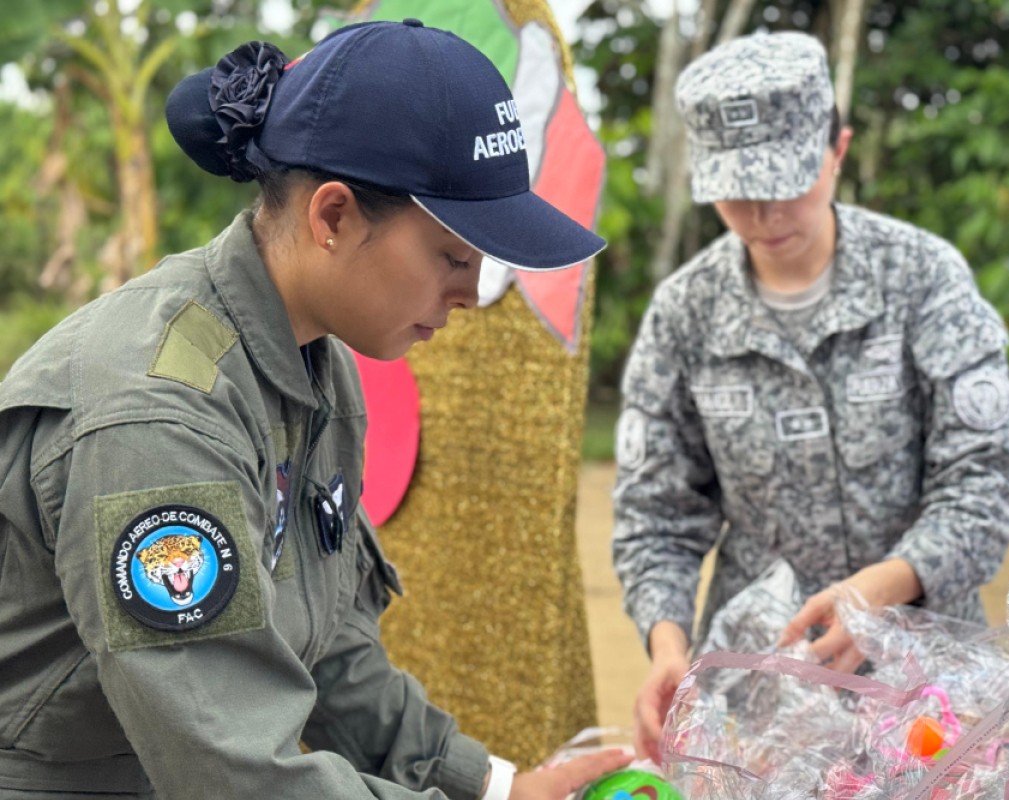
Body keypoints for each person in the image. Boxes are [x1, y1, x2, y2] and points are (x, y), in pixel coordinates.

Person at [0, 20, 628, 800]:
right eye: (454, 256)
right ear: (332, 217)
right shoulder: (155, 417)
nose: (470, 293)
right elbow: (233, 772)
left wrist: (498, 787)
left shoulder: (314, 369)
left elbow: (327, 654)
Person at [612, 31, 1009, 763]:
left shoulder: (922, 278)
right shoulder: (686, 313)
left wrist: (883, 589)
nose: (764, 214)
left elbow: (983, 484)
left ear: (838, 150)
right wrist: (669, 645)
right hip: (760, 690)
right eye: (737, 193)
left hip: (930, 682)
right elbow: (656, 515)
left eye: (786, 181)